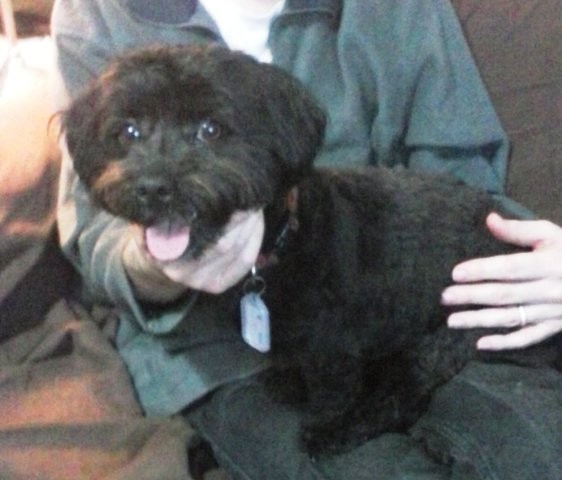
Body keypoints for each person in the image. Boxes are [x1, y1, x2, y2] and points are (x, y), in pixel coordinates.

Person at [50, 0, 562, 478]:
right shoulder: (95, 10)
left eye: (207, 131)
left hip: (407, 294)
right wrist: (153, 264)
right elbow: (93, 231)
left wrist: (539, 257)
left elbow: (459, 179)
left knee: (530, 452)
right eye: (132, 133)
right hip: (215, 345)